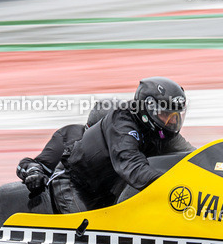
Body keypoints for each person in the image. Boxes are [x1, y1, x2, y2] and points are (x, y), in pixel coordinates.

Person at [49, 77, 193, 213]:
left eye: (176, 116)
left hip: (108, 191)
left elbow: (190, 155)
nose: (173, 122)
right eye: (166, 115)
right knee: (91, 231)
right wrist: (173, 184)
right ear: (148, 109)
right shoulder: (122, 122)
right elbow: (132, 166)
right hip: (75, 184)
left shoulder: (162, 132)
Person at [15, 104, 107, 194]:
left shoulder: (119, 143)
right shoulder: (69, 137)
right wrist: (34, 172)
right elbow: (28, 164)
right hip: (81, 199)